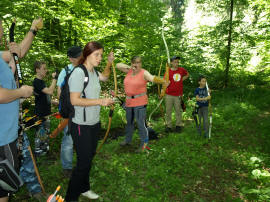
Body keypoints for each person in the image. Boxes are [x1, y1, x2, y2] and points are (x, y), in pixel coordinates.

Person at [65, 41, 114, 201]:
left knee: (88, 158)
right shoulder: (79, 73)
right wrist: (100, 101)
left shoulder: (93, 72)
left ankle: (84, 188)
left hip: (94, 123)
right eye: (97, 55)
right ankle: (70, 197)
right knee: (83, 163)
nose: (99, 58)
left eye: (101, 54)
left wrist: (109, 62)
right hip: (81, 125)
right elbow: (74, 100)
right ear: (87, 55)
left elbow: (105, 77)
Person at [0, 18, 42, 202]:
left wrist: (32, 29)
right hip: (2, 136)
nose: (2, 28)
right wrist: (21, 92)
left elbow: (19, 53)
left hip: (8, 131)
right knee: (4, 184)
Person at [116, 56, 168, 152]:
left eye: (139, 62)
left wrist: (163, 81)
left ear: (141, 63)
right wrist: (131, 67)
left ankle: (144, 144)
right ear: (131, 63)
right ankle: (128, 140)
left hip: (140, 102)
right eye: (134, 62)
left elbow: (152, 78)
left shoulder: (144, 72)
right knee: (129, 123)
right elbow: (118, 65)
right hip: (129, 102)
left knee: (140, 124)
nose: (137, 64)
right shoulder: (129, 71)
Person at [56, 46, 82, 178]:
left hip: (83, 111)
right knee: (68, 140)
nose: (81, 58)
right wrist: (65, 109)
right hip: (69, 112)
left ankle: (82, 163)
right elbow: (60, 92)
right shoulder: (65, 71)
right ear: (71, 59)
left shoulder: (86, 69)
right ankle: (67, 167)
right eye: (78, 56)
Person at [33, 61, 57, 156]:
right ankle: (39, 154)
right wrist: (54, 78)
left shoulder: (42, 82)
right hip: (40, 114)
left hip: (46, 113)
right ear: (37, 70)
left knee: (45, 134)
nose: (46, 70)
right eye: (44, 68)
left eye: (46, 68)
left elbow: (43, 97)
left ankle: (44, 153)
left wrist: (53, 102)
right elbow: (50, 92)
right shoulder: (36, 82)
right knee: (40, 134)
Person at [165, 56, 189, 133]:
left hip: (178, 95)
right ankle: (168, 126)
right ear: (171, 62)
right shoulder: (168, 71)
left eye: (178, 62)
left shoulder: (181, 70)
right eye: (175, 62)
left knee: (178, 111)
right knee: (168, 111)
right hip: (169, 94)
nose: (176, 64)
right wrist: (166, 83)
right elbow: (165, 81)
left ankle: (178, 125)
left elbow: (187, 74)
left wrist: (181, 80)